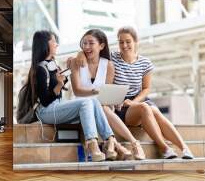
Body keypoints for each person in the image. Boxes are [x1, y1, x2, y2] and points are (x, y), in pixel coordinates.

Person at [74, 26, 194, 159]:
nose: (124, 45)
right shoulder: (112, 58)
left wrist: (133, 102)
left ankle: (184, 148)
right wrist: (80, 54)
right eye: (121, 42)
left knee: (154, 112)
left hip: (138, 100)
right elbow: (92, 52)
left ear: (136, 42)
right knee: (146, 109)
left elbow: (147, 88)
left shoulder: (145, 63)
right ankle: (165, 148)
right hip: (120, 103)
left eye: (128, 41)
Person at [27, 30, 120, 162]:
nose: (56, 44)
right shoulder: (40, 68)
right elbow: (45, 101)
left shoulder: (54, 65)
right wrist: (59, 85)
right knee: (86, 102)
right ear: (45, 44)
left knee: (93, 102)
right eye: (53, 41)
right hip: (45, 111)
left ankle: (109, 139)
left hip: (57, 106)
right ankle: (92, 145)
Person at [70, 29, 145, 160]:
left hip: (103, 105)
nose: (87, 47)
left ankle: (115, 145)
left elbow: (106, 95)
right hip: (82, 107)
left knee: (103, 107)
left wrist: (114, 99)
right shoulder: (76, 62)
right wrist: (95, 92)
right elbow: (77, 90)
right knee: (101, 108)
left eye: (91, 43)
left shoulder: (109, 65)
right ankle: (126, 144)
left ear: (102, 46)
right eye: (84, 43)